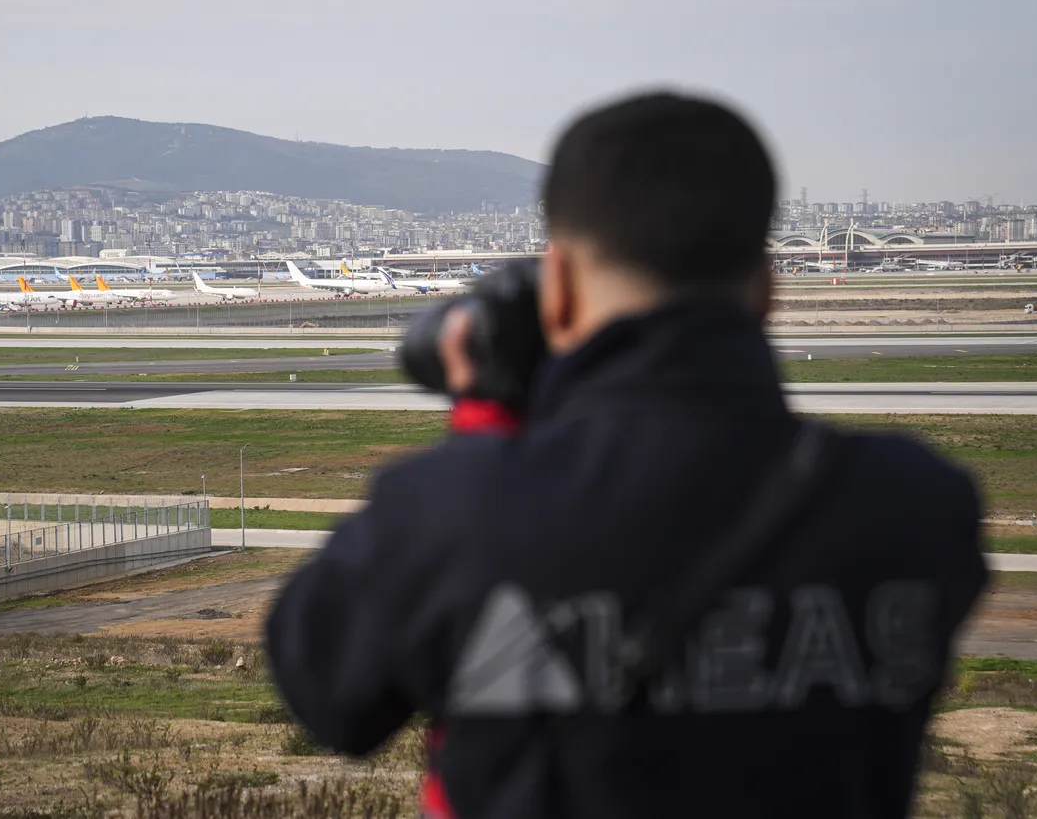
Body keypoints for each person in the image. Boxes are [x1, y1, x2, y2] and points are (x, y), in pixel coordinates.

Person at [266, 92, 987, 819]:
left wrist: (486, 435)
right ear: (769, 289)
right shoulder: (922, 506)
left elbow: (326, 690)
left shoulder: (451, 513)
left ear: (562, 287)